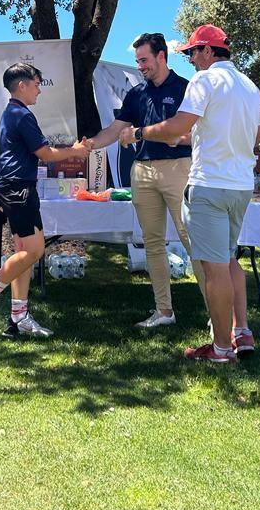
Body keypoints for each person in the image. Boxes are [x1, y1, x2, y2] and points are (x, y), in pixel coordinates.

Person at [120, 24, 260, 363]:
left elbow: (176, 126)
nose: (191, 59)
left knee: (213, 269)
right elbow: (254, 138)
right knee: (229, 261)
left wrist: (139, 132)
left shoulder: (205, 80)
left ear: (209, 52)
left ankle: (221, 348)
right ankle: (241, 332)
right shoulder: (249, 86)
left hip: (209, 184)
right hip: (240, 186)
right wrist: (191, 138)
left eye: (193, 52)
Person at [84, 32, 204, 329]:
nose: (140, 66)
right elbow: (116, 129)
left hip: (180, 169)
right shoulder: (136, 94)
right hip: (143, 172)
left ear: (162, 56)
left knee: (194, 243)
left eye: (144, 60)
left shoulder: (187, 89)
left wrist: (177, 137)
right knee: (152, 243)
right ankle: (164, 311)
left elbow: (200, 134)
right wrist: (91, 144)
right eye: (137, 60)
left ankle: (217, 312)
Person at [0, 62, 89, 338]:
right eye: (36, 84)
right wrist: (76, 150)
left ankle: (18, 317)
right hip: (17, 188)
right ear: (21, 85)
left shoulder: (14, 113)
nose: (39, 91)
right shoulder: (21, 114)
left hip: (18, 187)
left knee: (24, 253)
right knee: (34, 251)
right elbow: (45, 154)